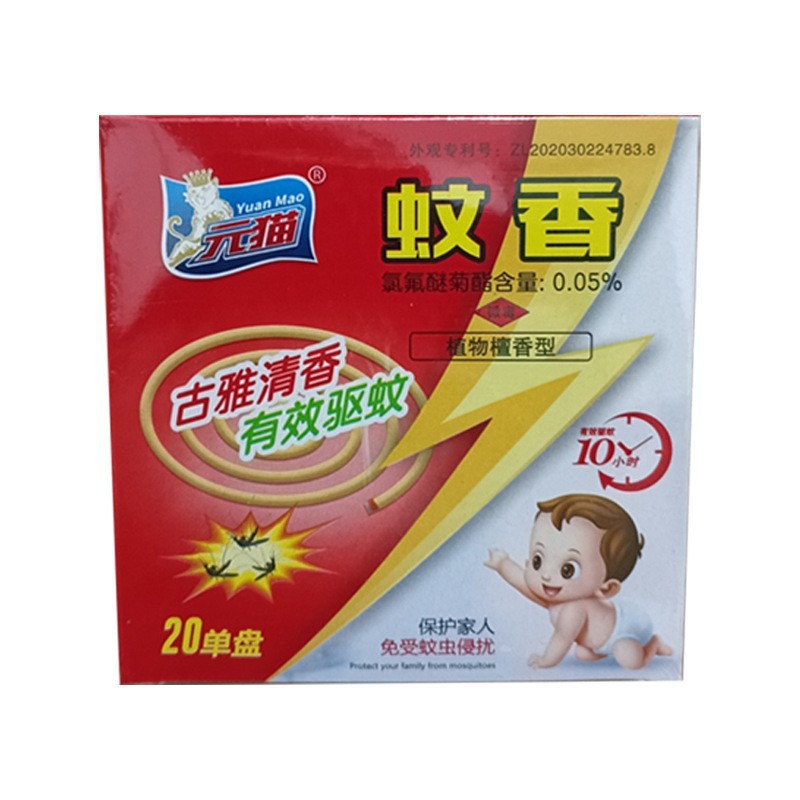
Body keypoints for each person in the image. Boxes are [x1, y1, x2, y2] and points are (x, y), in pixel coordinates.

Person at [485, 493, 672, 668]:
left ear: (606, 588)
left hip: (625, 631)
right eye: (538, 561)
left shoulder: (574, 608)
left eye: (567, 570)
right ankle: (599, 652)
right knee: (582, 654)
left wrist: (546, 660)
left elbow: (562, 638)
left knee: (629, 659)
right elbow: (525, 584)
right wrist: (503, 564)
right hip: (596, 643)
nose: (546, 575)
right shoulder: (559, 597)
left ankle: (654, 644)